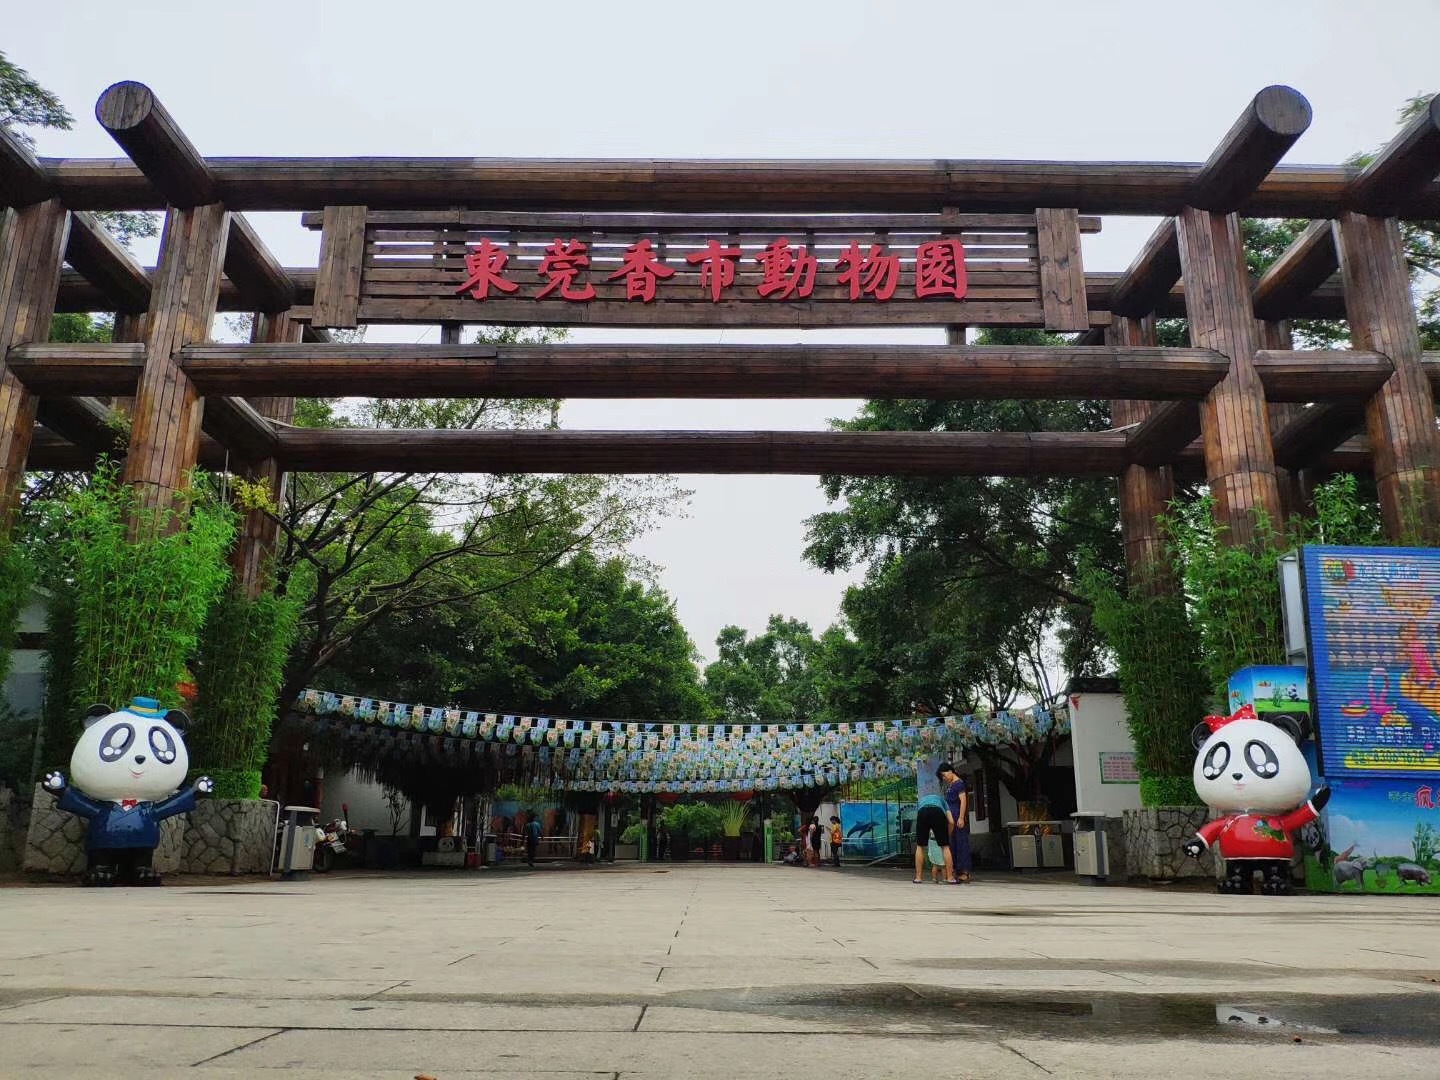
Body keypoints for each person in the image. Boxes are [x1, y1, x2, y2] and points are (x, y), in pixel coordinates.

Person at [938, 762, 973, 883]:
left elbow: (963, 801)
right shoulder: (950, 785)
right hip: (950, 817)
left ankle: (965, 871)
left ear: (950, 771)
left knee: (961, 843)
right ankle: (955, 870)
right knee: (952, 844)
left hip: (957, 816)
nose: (944, 778)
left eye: (944, 775)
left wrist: (961, 817)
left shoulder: (959, 784)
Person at [913, 789, 955, 884]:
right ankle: (950, 877)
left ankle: (918, 877)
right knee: (945, 847)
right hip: (937, 812)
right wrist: (947, 835)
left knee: (920, 846)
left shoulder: (921, 802)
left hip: (922, 812)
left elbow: (919, 817)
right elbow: (951, 821)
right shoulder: (942, 801)